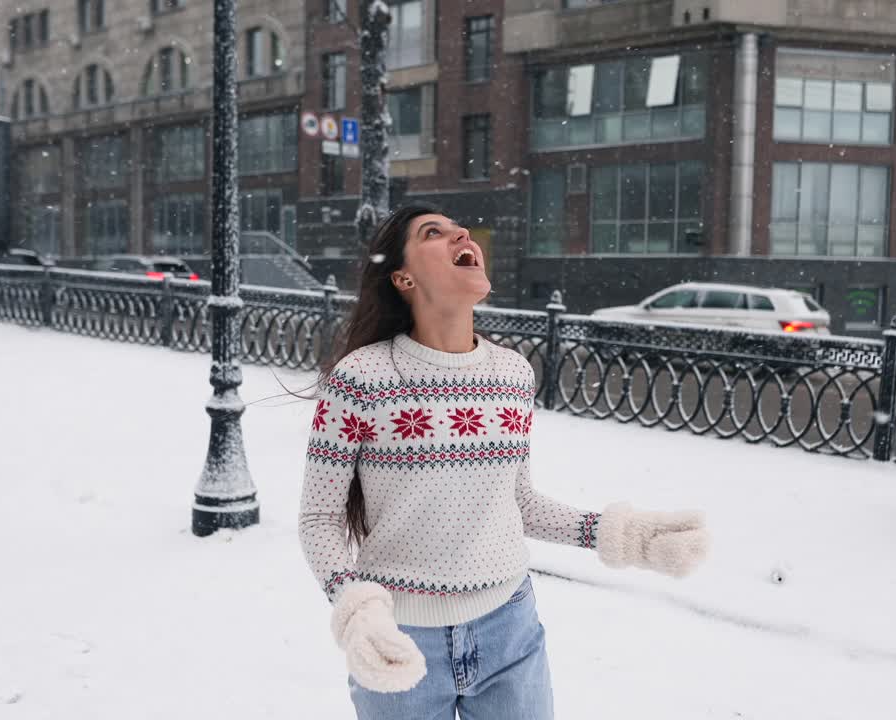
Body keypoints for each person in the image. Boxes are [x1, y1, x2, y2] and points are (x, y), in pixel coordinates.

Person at [299, 204, 710, 719]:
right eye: (434, 232)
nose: (460, 233)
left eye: (458, 228)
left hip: (509, 630)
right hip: (399, 640)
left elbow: (520, 503)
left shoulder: (512, 375)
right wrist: (358, 611)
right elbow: (319, 519)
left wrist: (623, 535)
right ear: (402, 276)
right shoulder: (359, 379)